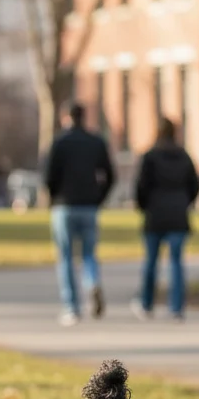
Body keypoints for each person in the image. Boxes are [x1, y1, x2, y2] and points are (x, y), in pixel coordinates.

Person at [44, 102, 115, 324]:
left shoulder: (59, 143)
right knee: (88, 254)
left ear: (66, 118)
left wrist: (55, 196)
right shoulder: (96, 142)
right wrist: (98, 197)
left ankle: (72, 307)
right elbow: (110, 175)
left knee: (65, 257)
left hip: (64, 206)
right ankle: (91, 282)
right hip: (89, 205)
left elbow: (49, 176)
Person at [132, 117, 199, 321]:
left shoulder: (150, 156)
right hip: (178, 214)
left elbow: (141, 186)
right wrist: (184, 202)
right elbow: (195, 185)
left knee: (151, 262)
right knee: (177, 263)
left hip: (155, 214)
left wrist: (144, 206)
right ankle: (176, 307)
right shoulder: (184, 156)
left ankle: (146, 304)